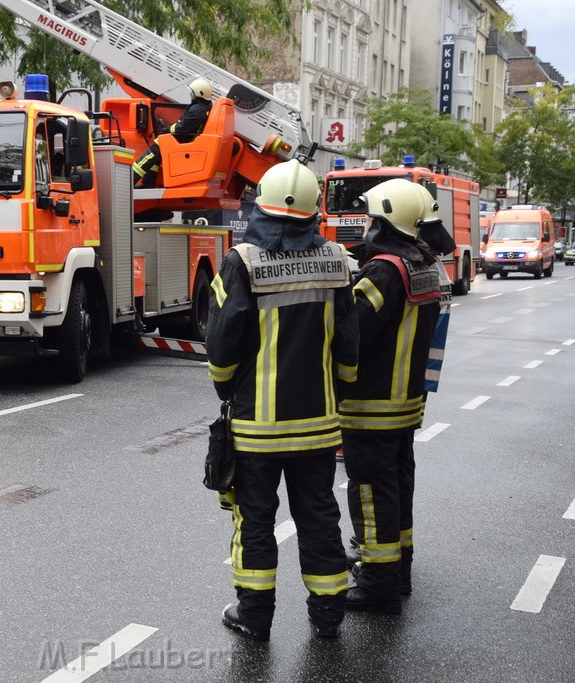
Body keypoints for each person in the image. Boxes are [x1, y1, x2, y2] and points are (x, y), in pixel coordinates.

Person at [206, 159, 359, 641]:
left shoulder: (242, 261)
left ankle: (254, 616)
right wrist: (341, 389)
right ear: (314, 212)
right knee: (319, 516)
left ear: (262, 208)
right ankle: (329, 614)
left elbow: (223, 343)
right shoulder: (338, 262)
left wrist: (226, 388)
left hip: (256, 427)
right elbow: (349, 347)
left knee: (255, 521)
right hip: (318, 424)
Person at [338, 179, 455, 615]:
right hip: (405, 403)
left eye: (372, 218)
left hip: (372, 406)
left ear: (388, 220)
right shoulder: (422, 263)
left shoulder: (385, 271)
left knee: (370, 493)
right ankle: (399, 568)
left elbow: (351, 330)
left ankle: (379, 583)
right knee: (397, 486)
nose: (366, 227)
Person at [132, 77, 214, 188]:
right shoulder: (202, 108)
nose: (190, 94)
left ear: (198, 93)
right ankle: (147, 183)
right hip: (186, 140)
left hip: (181, 141)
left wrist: (168, 129)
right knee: (156, 155)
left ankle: (129, 181)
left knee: (151, 154)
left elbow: (182, 128)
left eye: (192, 92)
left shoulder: (197, 110)